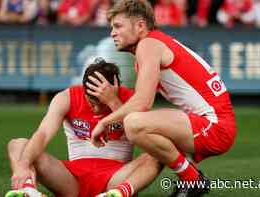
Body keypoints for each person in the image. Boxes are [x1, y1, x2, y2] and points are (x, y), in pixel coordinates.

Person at [90, 1, 237, 197]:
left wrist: (105, 121)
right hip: (214, 123)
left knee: (134, 124)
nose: (112, 33)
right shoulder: (154, 42)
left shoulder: (148, 45)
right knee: (150, 141)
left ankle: (192, 179)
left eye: (118, 26)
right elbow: (142, 108)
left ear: (140, 26)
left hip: (215, 127)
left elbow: (142, 103)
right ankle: (122, 192)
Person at [5, 58, 162, 197]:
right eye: (91, 102)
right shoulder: (66, 97)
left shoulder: (132, 99)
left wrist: (113, 102)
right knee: (17, 144)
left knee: (159, 152)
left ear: (115, 88)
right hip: (71, 180)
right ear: (84, 88)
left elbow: (148, 138)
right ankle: (28, 191)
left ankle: (119, 193)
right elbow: (43, 134)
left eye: (101, 103)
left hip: (115, 178)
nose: (96, 109)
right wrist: (23, 165)